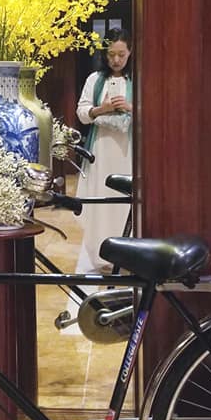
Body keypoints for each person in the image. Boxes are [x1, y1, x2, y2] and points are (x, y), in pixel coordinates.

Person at [74, 30, 133, 272]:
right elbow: (82, 113)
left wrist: (129, 107)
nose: (116, 60)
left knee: (125, 202)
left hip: (128, 151)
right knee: (102, 199)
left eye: (121, 54)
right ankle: (101, 255)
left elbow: (154, 112)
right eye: (111, 55)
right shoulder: (95, 79)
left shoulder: (138, 78)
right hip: (101, 149)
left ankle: (127, 254)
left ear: (130, 52)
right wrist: (102, 109)